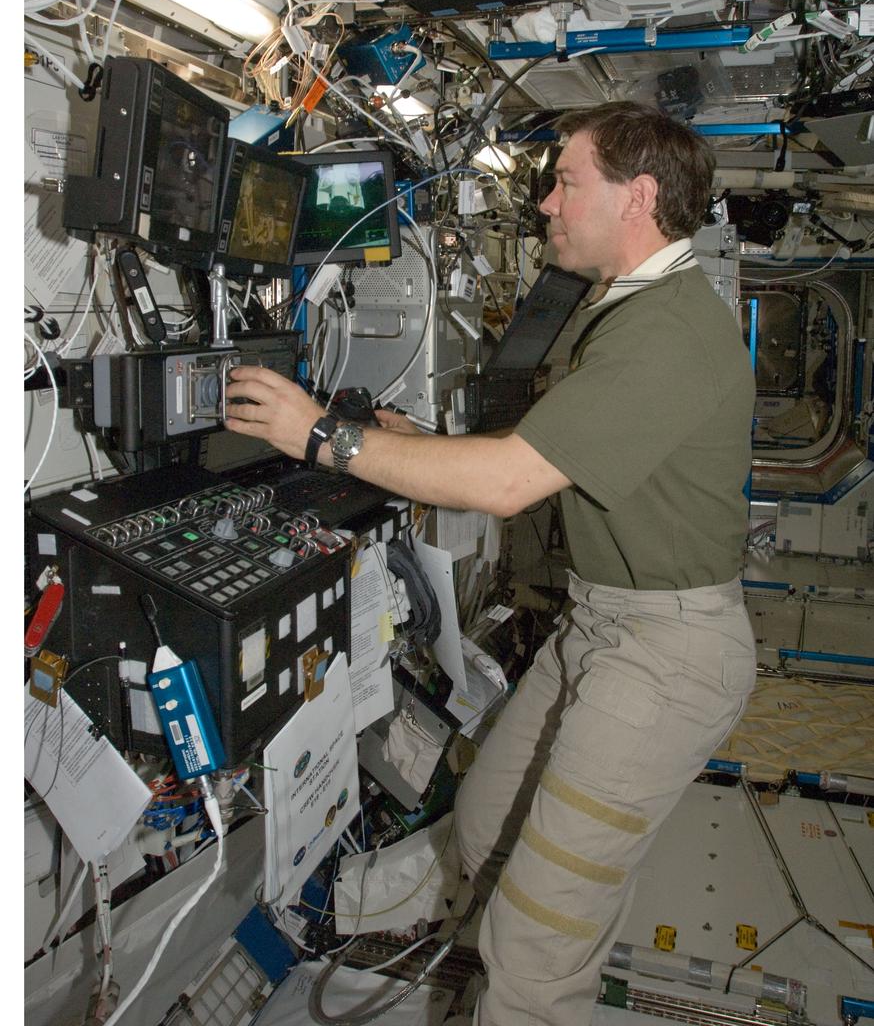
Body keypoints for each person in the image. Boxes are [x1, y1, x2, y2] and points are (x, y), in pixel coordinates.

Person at [225, 101, 757, 1026]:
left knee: (535, 946)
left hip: (665, 655)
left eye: (566, 183)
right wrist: (408, 440)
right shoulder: (626, 310)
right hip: (603, 623)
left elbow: (511, 482)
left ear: (636, 198)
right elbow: (547, 454)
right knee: (481, 827)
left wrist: (322, 437)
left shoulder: (667, 331)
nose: (546, 203)